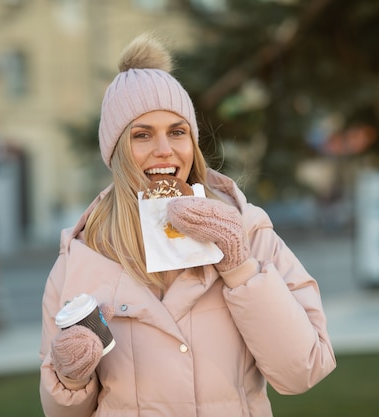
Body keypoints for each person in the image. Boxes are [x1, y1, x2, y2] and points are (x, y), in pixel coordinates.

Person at [39, 33, 336, 417]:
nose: (164, 149)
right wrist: (71, 377)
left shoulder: (247, 231)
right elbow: (60, 414)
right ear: (116, 153)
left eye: (177, 132)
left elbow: (304, 371)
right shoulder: (81, 259)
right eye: (142, 135)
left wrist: (239, 267)